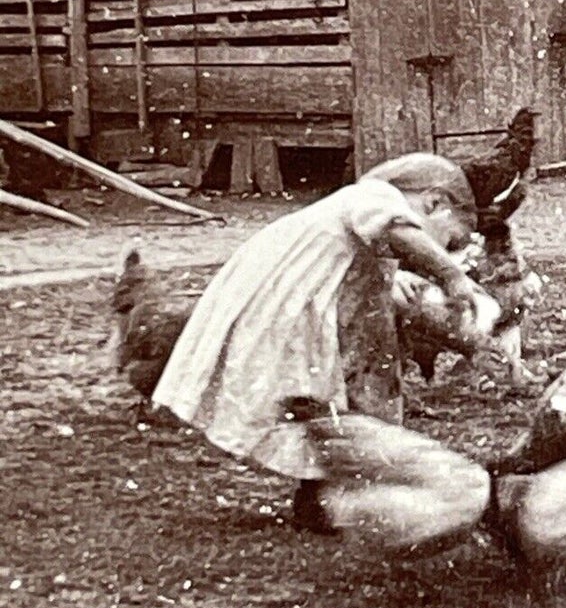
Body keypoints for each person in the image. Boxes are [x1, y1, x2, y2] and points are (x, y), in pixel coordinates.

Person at [152, 152, 486, 531]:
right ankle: (327, 499)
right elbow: (400, 233)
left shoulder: (365, 219)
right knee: (313, 399)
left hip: (307, 313)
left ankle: (320, 499)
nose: (445, 250)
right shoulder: (376, 197)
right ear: (434, 202)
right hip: (296, 313)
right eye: (451, 238)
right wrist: (450, 275)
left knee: (322, 404)